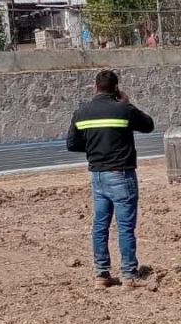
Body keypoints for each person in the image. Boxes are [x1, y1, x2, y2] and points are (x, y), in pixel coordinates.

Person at [66, 70, 155, 289]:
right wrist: (127, 103)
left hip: (98, 175)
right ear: (116, 89)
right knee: (125, 226)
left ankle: (101, 275)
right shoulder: (123, 109)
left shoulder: (81, 112)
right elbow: (148, 125)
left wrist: (95, 147)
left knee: (100, 225)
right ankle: (128, 275)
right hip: (121, 174)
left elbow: (72, 144)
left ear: (94, 87)